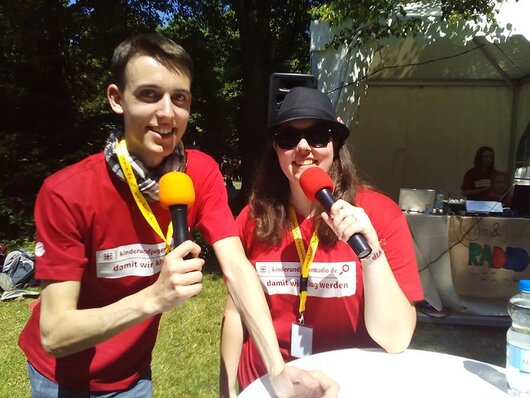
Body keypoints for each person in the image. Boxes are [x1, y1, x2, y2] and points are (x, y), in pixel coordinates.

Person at [18, 34, 338, 397]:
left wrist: (277, 370)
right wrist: (153, 299)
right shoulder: (67, 191)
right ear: (116, 99)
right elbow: (55, 332)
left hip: (134, 374)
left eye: (179, 98)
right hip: (60, 378)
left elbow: (236, 267)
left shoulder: (199, 173)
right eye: (149, 95)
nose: (167, 113)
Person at [220, 87, 424, 396]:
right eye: (288, 138)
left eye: (317, 136)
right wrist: (227, 392)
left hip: (346, 383)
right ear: (275, 149)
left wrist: (371, 255)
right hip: (266, 384)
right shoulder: (252, 218)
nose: (303, 147)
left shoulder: (381, 216)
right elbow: (236, 311)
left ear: (336, 144)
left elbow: (395, 339)